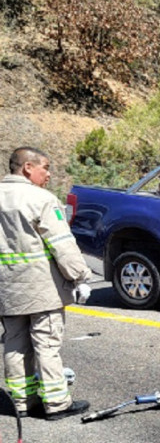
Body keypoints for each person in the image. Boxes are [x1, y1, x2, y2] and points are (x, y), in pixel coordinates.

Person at [1, 147, 92, 420]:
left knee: (15, 345)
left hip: (6, 289)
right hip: (42, 289)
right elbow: (61, 244)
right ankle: (56, 403)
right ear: (28, 167)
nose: (49, 173)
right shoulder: (41, 198)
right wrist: (80, 277)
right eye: (45, 167)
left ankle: (21, 402)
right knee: (47, 345)